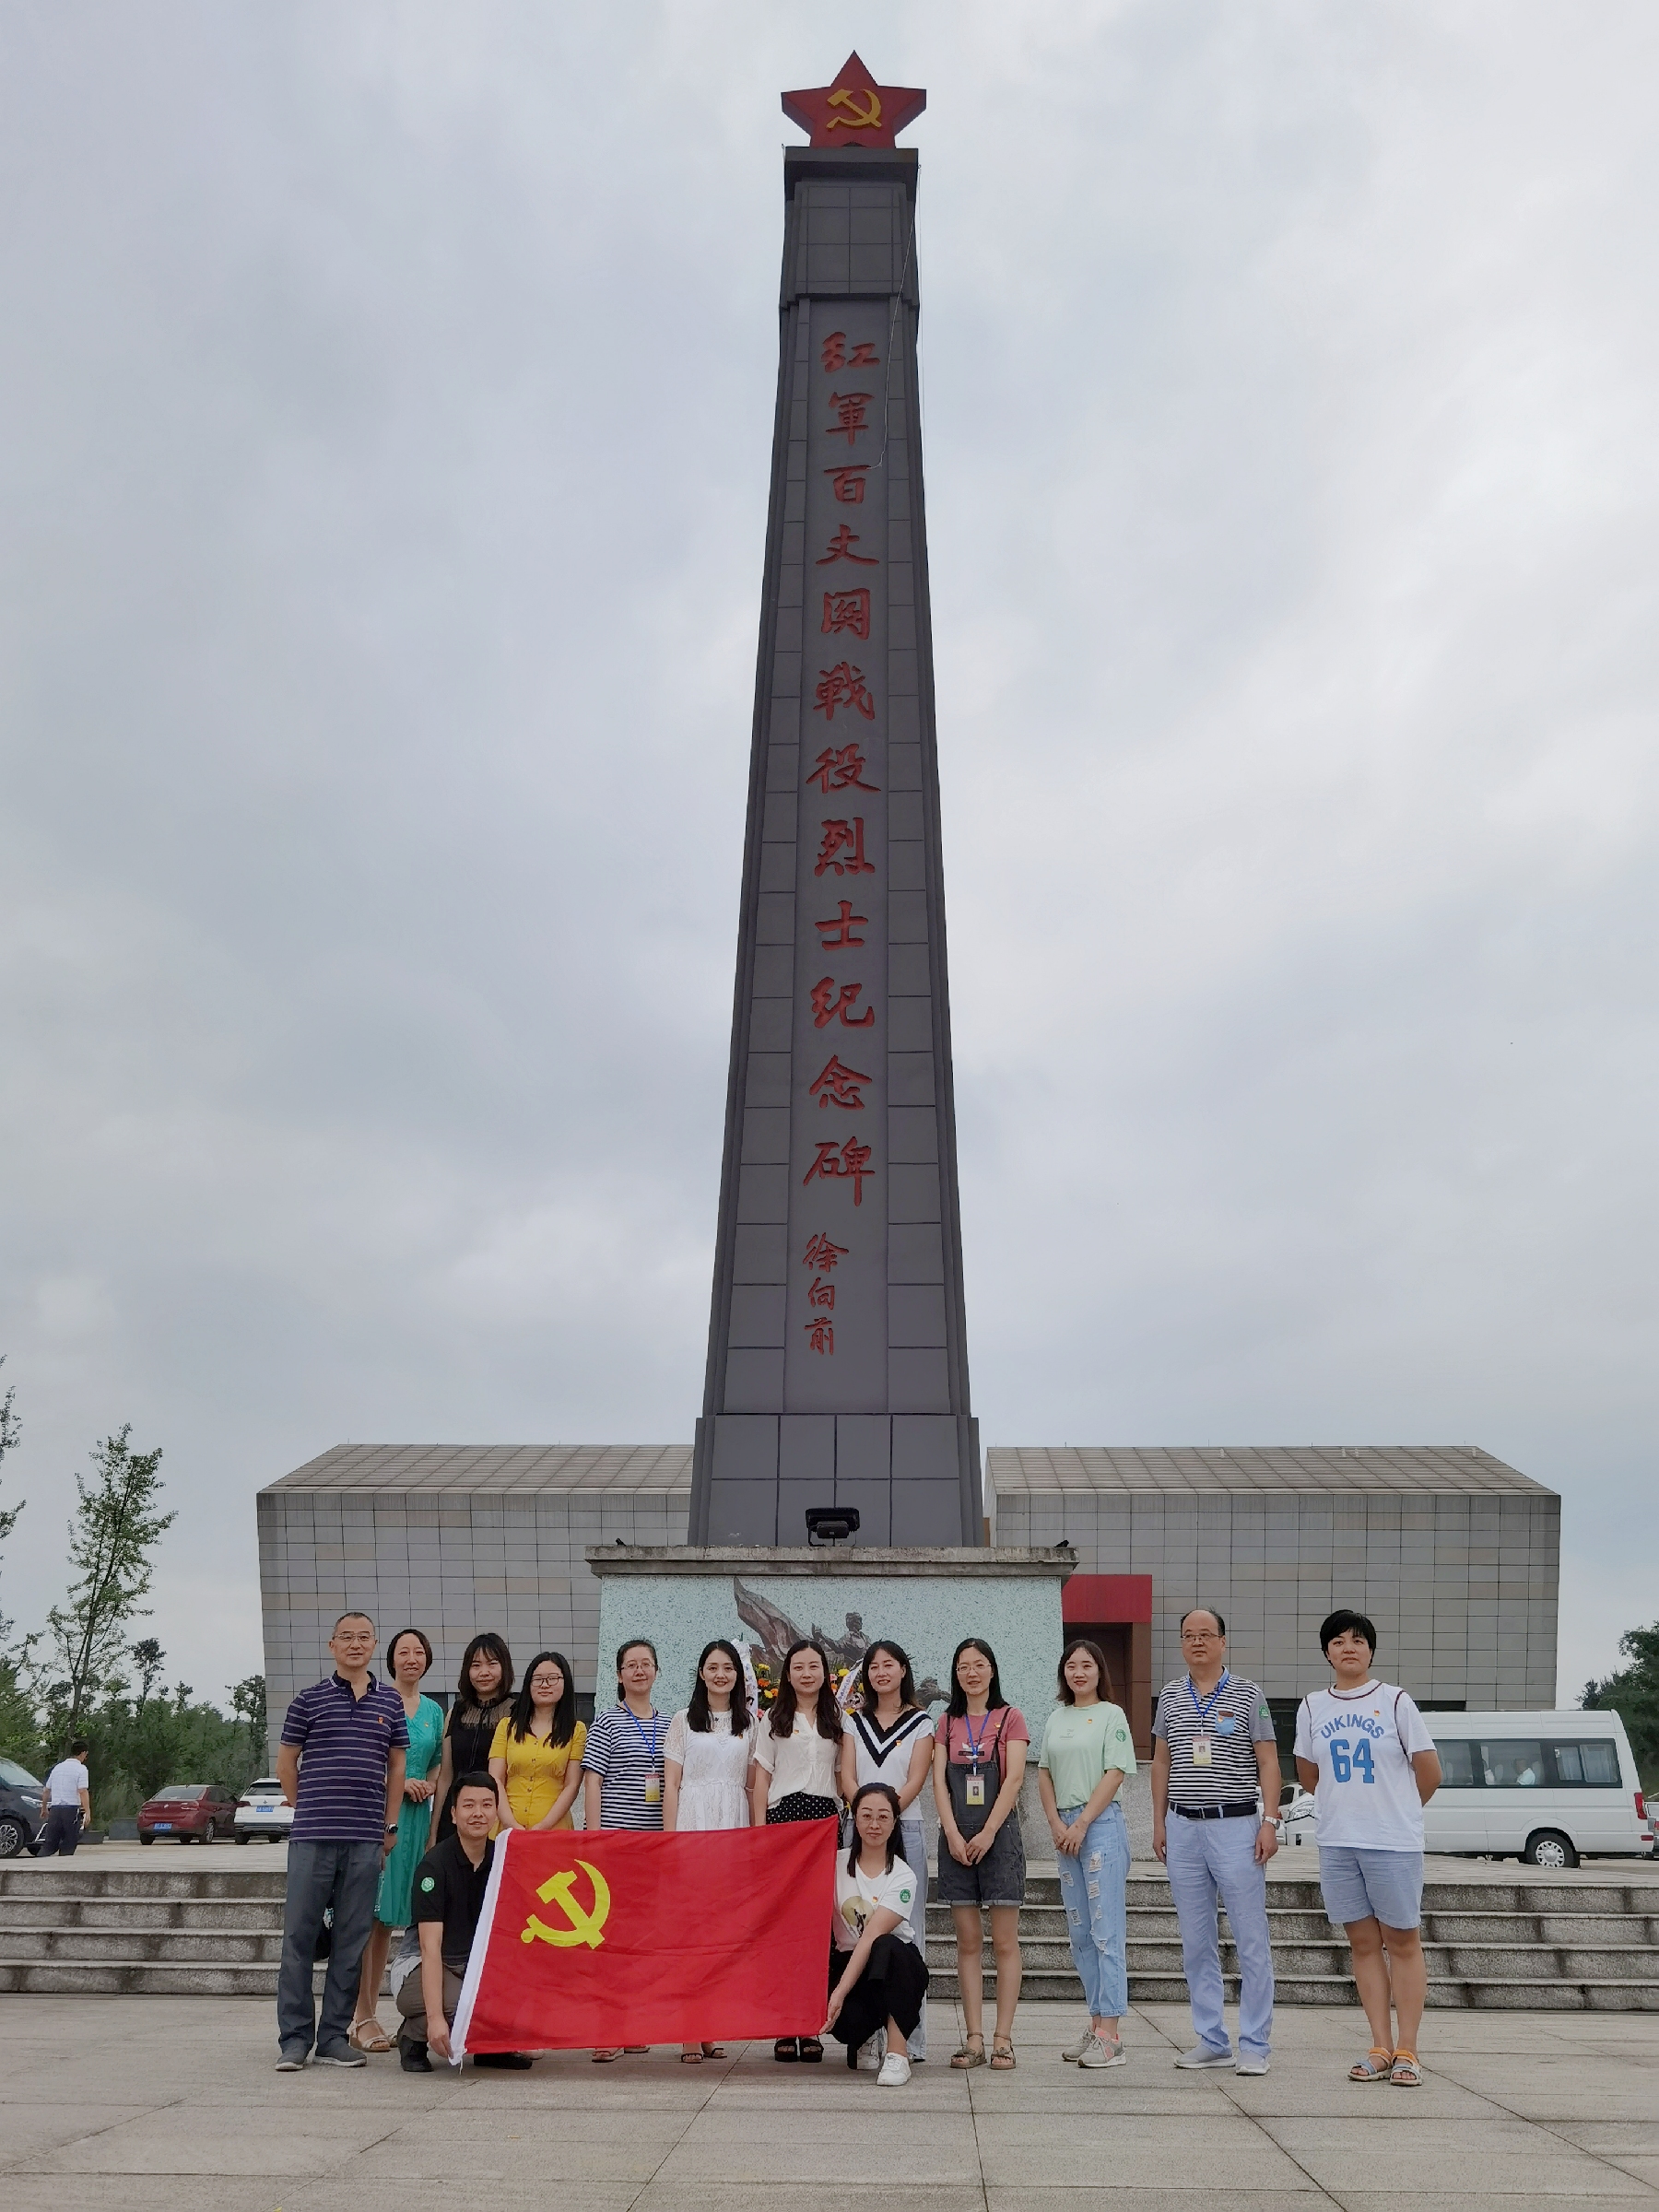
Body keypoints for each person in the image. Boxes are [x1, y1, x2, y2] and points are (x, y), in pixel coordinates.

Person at [1294, 1607, 1442, 2088]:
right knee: (1362, 1944)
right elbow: (1309, 1775)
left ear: (1371, 1650)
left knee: (1402, 1942)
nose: (1349, 1648)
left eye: (1358, 1640)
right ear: (1326, 1652)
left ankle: (1408, 2049)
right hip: (1339, 1842)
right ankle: (1380, 2045)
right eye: (1338, 1641)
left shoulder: (1396, 1701)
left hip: (1392, 1843)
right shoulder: (1313, 1706)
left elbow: (1429, 1772)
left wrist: (1397, 1811)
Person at [274, 1611, 408, 2072]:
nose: (355, 1644)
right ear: (332, 1645)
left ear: (374, 1645)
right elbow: (286, 1764)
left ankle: (333, 2036)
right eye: (346, 1637)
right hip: (313, 1837)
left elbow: (397, 1767)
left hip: (365, 1839)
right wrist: (307, 1806)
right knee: (299, 1938)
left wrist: (390, 1826)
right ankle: (294, 2040)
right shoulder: (307, 1701)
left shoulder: (389, 1703)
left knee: (351, 1942)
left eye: (364, 1637)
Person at [1151, 1606, 1280, 2076]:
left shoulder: (1248, 1694)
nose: (1198, 1642)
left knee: (1250, 1937)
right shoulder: (1169, 1695)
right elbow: (1161, 1761)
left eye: (1206, 1634)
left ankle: (1255, 2044)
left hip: (1236, 1825)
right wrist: (1159, 1822)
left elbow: (1268, 1761)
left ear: (1223, 1641)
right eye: (1189, 1635)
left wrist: (1270, 1821)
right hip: (1184, 1827)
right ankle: (1211, 2038)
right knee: (1196, 1940)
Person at [1038, 1638, 1136, 2070]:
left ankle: (1111, 2036)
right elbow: (1043, 1772)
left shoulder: (1112, 1715)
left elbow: (1115, 1774)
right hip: (1064, 1829)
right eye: (1071, 1666)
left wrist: (1080, 1824)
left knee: (1105, 1931)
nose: (1078, 1673)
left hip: (1099, 1827)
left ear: (1099, 1671)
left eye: (1086, 1665)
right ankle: (1095, 2023)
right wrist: (1057, 1824)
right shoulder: (1056, 1717)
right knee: (1080, 1933)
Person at [932, 1635, 1028, 2072]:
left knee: (1004, 1942)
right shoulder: (946, 1722)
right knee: (968, 1942)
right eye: (963, 1666)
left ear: (992, 1670)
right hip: (956, 1839)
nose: (971, 1673)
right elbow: (938, 1782)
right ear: (956, 1674)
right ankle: (973, 2038)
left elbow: (1014, 1780)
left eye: (979, 1664)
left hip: (999, 1837)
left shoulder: (1010, 1718)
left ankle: (1003, 2039)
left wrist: (988, 1832)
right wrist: (952, 1834)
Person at [396, 1771, 531, 2073]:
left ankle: (489, 2049)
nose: (478, 1813)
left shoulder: (503, 1860)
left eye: (487, 1805)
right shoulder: (434, 1866)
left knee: (517, 2005)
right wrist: (435, 2019)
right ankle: (414, 2033)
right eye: (469, 1806)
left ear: (496, 1812)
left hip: (475, 1966)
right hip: (421, 1965)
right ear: (454, 1814)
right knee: (473, 2007)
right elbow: (429, 1948)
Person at [350, 1628, 445, 2053]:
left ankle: (371, 2014)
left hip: (416, 1821)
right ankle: (361, 2016)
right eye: (403, 1651)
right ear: (390, 1659)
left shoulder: (434, 1711)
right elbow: (364, 1758)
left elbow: (437, 1764)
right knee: (369, 1919)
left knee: (389, 1921)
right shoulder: (375, 1701)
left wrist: (427, 1784)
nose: (411, 1658)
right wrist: (399, 1782)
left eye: (418, 1652)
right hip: (379, 1815)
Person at [839, 1639, 935, 2062]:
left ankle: (908, 2040)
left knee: (908, 1930)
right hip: (860, 1829)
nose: (881, 1672)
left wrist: (886, 1815)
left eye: (889, 1665)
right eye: (874, 1666)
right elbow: (847, 1776)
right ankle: (864, 2030)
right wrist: (867, 1816)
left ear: (902, 1670)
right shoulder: (854, 1722)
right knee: (856, 1925)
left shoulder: (921, 1723)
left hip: (904, 1827)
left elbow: (916, 1778)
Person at [751, 1638, 844, 2063]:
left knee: (819, 1925)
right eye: (798, 1667)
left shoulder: (839, 1719)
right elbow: (761, 1780)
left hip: (824, 1821)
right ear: (787, 1674)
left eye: (814, 1666)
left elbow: (843, 1776)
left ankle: (811, 2023)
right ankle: (784, 2024)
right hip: (785, 1821)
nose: (806, 1674)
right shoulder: (773, 1718)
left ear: (825, 1673)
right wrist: (759, 1835)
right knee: (784, 1924)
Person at [665, 1639, 755, 2064]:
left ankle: (712, 2025)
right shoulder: (683, 1720)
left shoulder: (749, 1723)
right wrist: (671, 1840)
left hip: (732, 1826)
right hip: (693, 1825)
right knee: (690, 1932)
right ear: (701, 1672)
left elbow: (751, 1786)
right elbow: (672, 1784)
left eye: (728, 1668)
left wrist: (753, 1840)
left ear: (738, 1675)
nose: (721, 1674)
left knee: (722, 1935)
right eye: (713, 1667)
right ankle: (688, 2029)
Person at [582, 1637, 667, 2062]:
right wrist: (595, 1839)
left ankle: (633, 2024)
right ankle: (607, 2029)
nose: (639, 1670)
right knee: (611, 1937)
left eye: (645, 1663)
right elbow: (593, 1781)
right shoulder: (607, 1722)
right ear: (619, 1675)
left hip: (654, 1849)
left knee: (642, 1939)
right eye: (630, 1665)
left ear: (656, 1671)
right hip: (616, 1844)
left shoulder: (670, 1724)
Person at [823, 1783, 929, 2088]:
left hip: (896, 1967)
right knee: (845, 2016)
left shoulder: (903, 1876)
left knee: (885, 1945)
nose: (874, 1824)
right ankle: (866, 2035)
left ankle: (897, 2053)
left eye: (883, 1817)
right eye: (866, 1815)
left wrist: (838, 1994)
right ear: (854, 1819)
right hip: (849, 1963)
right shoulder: (834, 1863)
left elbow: (870, 1937)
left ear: (895, 1822)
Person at [489, 1650, 586, 1834]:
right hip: (506, 1829)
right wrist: (511, 1824)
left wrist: (542, 1827)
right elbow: (495, 1779)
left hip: (554, 1831)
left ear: (565, 1682)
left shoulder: (576, 1731)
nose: (545, 1685)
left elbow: (572, 1785)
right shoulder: (506, 1727)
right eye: (538, 1679)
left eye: (553, 1678)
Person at [430, 1633, 513, 1844]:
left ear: (504, 1667)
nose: (484, 1672)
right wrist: (433, 1833)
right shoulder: (456, 1712)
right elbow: (445, 1776)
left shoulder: (517, 1713)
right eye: (476, 1665)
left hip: (497, 1814)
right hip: (457, 1814)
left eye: (492, 1664)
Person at [38, 1739, 91, 1857]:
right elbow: (82, 1791)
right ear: (83, 1753)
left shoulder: (57, 1768)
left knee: (49, 1844)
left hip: (55, 1810)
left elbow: (46, 1790)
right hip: (71, 1810)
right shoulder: (81, 1769)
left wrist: (44, 1808)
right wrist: (87, 1812)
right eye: (86, 1755)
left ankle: (38, 1862)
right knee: (69, 1843)